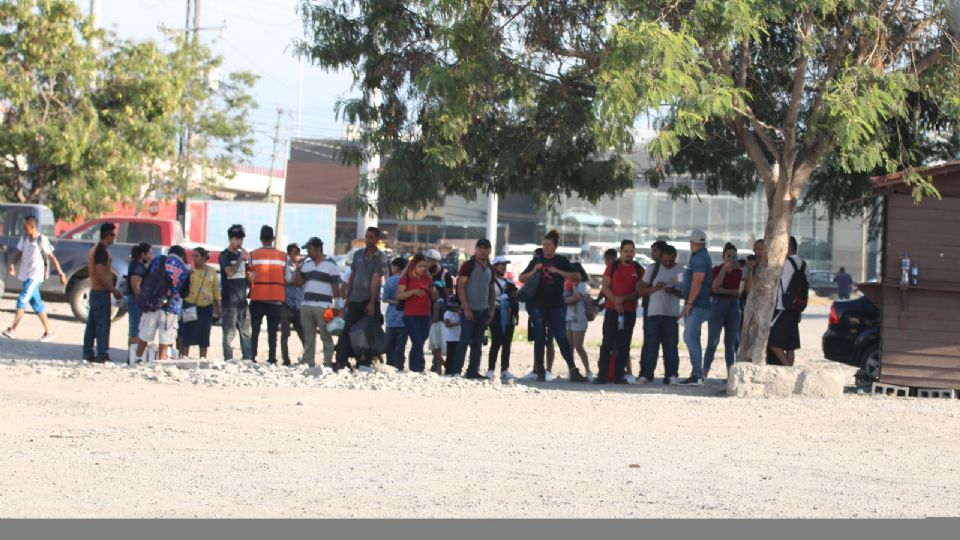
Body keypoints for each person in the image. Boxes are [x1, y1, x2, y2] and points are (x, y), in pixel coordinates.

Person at [518, 229, 589, 383]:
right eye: (544, 244)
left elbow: (577, 276)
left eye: (549, 245)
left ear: (555, 246)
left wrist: (558, 271)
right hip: (537, 304)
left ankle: (572, 369)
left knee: (561, 337)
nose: (545, 247)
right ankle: (540, 371)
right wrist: (534, 271)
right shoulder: (536, 260)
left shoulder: (561, 261)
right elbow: (521, 278)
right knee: (539, 338)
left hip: (556, 305)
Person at [2, 215, 67, 342]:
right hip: (26, 274)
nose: (24, 229)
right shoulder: (25, 239)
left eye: (25, 227)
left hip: (36, 275)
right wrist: (13, 265)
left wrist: (61, 274)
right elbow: (19, 253)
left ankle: (13, 329)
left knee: (23, 298)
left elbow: (52, 257)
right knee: (36, 303)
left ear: (32, 227)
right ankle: (49, 331)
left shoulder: (41, 239)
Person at [336, 227, 386, 372]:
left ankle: (364, 362)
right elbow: (352, 276)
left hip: (369, 301)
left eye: (371, 237)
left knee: (369, 332)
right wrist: (348, 296)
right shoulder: (358, 254)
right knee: (347, 331)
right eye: (367, 236)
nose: (368, 239)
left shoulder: (380, 257)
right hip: (355, 300)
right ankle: (341, 362)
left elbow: (376, 280)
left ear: (377, 239)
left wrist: (371, 302)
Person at [596, 240, 643, 384]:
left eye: (631, 251)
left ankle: (619, 375)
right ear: (621, 252)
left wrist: (623, 299)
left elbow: (639, 291)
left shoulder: (639, 269)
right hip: (612, 310)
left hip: (629, 311)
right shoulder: (613, 266)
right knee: (607, 342)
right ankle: (602, 375)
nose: (629, 254)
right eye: (626, 251)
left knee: (624, 343)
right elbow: (605, 286)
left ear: (634, 252)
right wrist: (616, 301)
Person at [637, 244, 684, 384]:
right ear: (661, 258)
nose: (667, 263)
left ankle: (671, 375)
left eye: (670, 260)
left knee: (671, 346)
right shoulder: (652, 269)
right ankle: (646, 374)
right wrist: (655, 288)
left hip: (671, 315)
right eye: (665, 261)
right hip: (653, 313)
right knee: (651, 345)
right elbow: (640, 289)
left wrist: (673, 290)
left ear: (675, 257)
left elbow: (684, 293)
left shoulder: (681, 271)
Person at [135, 246, 190, 361]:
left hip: (151, 304)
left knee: (145, 334)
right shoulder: (184, 269)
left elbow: (145, 280)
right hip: (170, 307)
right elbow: (185, 293)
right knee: (165, 338)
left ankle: (137, 358)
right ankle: (161, 362)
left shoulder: (158, 260)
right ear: (182, 256)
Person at [451, 238, 495, 379]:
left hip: (483, 310)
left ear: (489, 251)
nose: (482, 251)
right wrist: (466, 308)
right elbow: (460, 287)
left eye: (485, 248)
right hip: (469, 309)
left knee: (477, 343)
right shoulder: (468, 266)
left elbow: (491, 289)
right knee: (464, 341)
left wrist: (492, 309)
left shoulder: (490, 268)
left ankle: (472, 371)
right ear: (475, 250)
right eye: (480, 248)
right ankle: (456, 371)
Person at [297, 237, 341, 368]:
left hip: (324, 306)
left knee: (325, 335)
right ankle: (307, 361)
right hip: (306, 305)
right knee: (308, 336)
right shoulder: (307, 265)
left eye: (309, 249)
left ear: (318, 249)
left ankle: (327, 362)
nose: (308, 252)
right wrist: (299, 268)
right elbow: (299, 283)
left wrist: (336, 305)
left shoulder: (331, 265)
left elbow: (335, 286)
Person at [703, 242, 743, 381]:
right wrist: (724, 270)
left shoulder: (739, 272)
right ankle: (704, 373)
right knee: (713, 341)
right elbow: (714, 286)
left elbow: (738, 292)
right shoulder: (717, 270)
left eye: (734, 256)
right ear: (723, 256)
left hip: (733, 306)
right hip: (718, 305)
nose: (731, 259)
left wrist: (723, 290)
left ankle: (730, 374)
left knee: (731, 343)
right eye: (728, 256)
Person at [82, 223, 122, 362]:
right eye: (113, 235)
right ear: (108, 235)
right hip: (101, 292)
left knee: (92, 325)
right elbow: (100, 272)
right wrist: (113, 290)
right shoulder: (100, 251)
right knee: (102, 325)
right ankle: (102, 354)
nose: (114, 238)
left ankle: (88, 352)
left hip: (96, 291)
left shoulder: (96, 248)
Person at [248, 226, 287, 364]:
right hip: (276, 298)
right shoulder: (283, 256)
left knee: (255, 329)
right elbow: (286, 276)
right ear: (273, 238)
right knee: (272, 331)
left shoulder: (253, 255)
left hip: (257, 296)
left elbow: (249, 276)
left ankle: (252, 356)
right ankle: (272, 358)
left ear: (260, 238)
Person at [769, 236, 810, 366]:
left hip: (782, 307)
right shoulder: (804, 265)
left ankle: (788, 369)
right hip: (796, 308)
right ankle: (789, 368)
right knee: (790, 345)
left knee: (773, 342)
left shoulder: (785, 264)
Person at [679, 229, 712, 386]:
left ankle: (697, 375)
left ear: (692, 243)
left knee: (689, 337)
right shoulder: (700, 256)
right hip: (697, 304)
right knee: (694, 337)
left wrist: (690, 302)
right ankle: (696, 374)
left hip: (698, 305)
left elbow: (698, 281)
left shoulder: (699, 258)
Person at [397, 254, 438, 373]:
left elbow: (435, 297)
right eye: (419, 266)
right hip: (411, 314)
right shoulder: (406, 278)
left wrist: (432, 291)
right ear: (414, 266)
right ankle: (417, 367)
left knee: (419, 341)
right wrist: (413, 292)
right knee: (418, 340)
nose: (422, 269)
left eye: (424, 267)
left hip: (426, 314)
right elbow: (399, 295)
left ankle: (416, 365)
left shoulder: (428, 279)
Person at [179, 247, 221, 360]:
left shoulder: (211, 271)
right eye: (192, 256)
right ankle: (184, 357)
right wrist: (187, 275)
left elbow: (215, 291)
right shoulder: (189, 270)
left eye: (196, 256)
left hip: (206, 307)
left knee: (204, 335)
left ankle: (202, 358)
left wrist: (218, 308)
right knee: (187, 333)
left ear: (203, 257)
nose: (193, 258)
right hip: (190, 305)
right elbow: (181, 287)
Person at [219, 225, 253, 361]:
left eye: (241, 239)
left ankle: (248, 358)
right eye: (236, 239)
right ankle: (228, 359)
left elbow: (244, 275)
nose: (239, 242)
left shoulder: (244, 257)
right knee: (229, 332)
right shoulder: (224, 255)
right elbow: (230, 271)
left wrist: (250, 278)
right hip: (229, 300)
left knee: (246, 332)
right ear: (230, 239)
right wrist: (240, 258)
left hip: (242, 300)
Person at [487, 255, 518, 381]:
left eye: (505, 265)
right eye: (501, 264)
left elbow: (515, 298)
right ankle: (491, 369)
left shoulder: (509, 282)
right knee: (496, 342)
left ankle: (504, 370)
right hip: (496, 314)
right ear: (495, 266)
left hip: (509, 315)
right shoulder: (490, 281)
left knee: (507, 343)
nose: (504, 267)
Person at [564, 263, 593, 381]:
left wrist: (564, 299)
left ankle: (588, 370)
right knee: (569, 347)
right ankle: (572, 370)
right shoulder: (567, 284)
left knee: (578, 346)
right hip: (569, 317)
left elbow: (577, 298)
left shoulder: (581, 285)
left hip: (579, 317)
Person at [425, 249, 453, 374]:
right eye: (426, 260)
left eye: (429, 261)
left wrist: (436, 289)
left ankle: (439, 366)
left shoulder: (445, 275)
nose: (427, 263)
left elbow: (449, 294)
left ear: (436, 261)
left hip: (441, 310)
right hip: (426, 309)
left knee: (440, 339)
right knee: (432, 340)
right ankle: (440, 365)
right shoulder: (424, 273)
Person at [123, 243, 153, 349]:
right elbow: (135, 286)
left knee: (135, 328)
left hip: (135, 300)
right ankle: (133, 356)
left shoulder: (136, 265)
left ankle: (132, 355)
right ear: (142, 254)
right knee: (136, 329)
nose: (151, 255)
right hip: (136, 301)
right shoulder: (138, 267)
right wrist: (143, 302)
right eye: (149, 253)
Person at [280, 243, 305, 366]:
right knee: (285, 333)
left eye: (298, 253)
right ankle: (285, 359)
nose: (297, 255)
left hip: (299, 305)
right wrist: (296, 280)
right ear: (289, 254)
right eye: (295, 252)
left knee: (303, 333)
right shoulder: (286, 266)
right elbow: (286, 281)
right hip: (287, 304)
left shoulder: (303, 267)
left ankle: (307, 357)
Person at [383, 256, 409, 370]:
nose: (391, 268)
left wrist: (395, 301)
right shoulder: (408, 280)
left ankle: (390, 365)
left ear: (397, 267)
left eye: (392, 266)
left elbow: (385, 298)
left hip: (392, 316)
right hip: (404, 317)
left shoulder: (391, 280)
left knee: (390, 344)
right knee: (401, 345)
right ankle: (400, 366)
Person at [443, 295, 461, 368]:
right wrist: (458, 323)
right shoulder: (447, 313)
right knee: (450, 354)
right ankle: (448, 369)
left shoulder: (458, 313)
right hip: (450, 338)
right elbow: (447, 324)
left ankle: (454, 368)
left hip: (457, 337)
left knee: (456, 355)